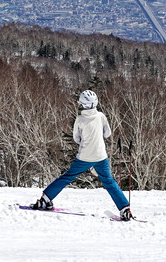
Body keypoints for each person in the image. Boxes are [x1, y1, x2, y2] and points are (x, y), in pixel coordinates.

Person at [31, 90, 133, 220]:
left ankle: (45, 199)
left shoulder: (79, 119)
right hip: (101, 156)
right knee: (109, 182)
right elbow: (107, 134)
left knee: (67, 177)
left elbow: (76, 138)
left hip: (84, 157)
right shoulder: (101, 116)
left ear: (82, 104)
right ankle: (125, 209)